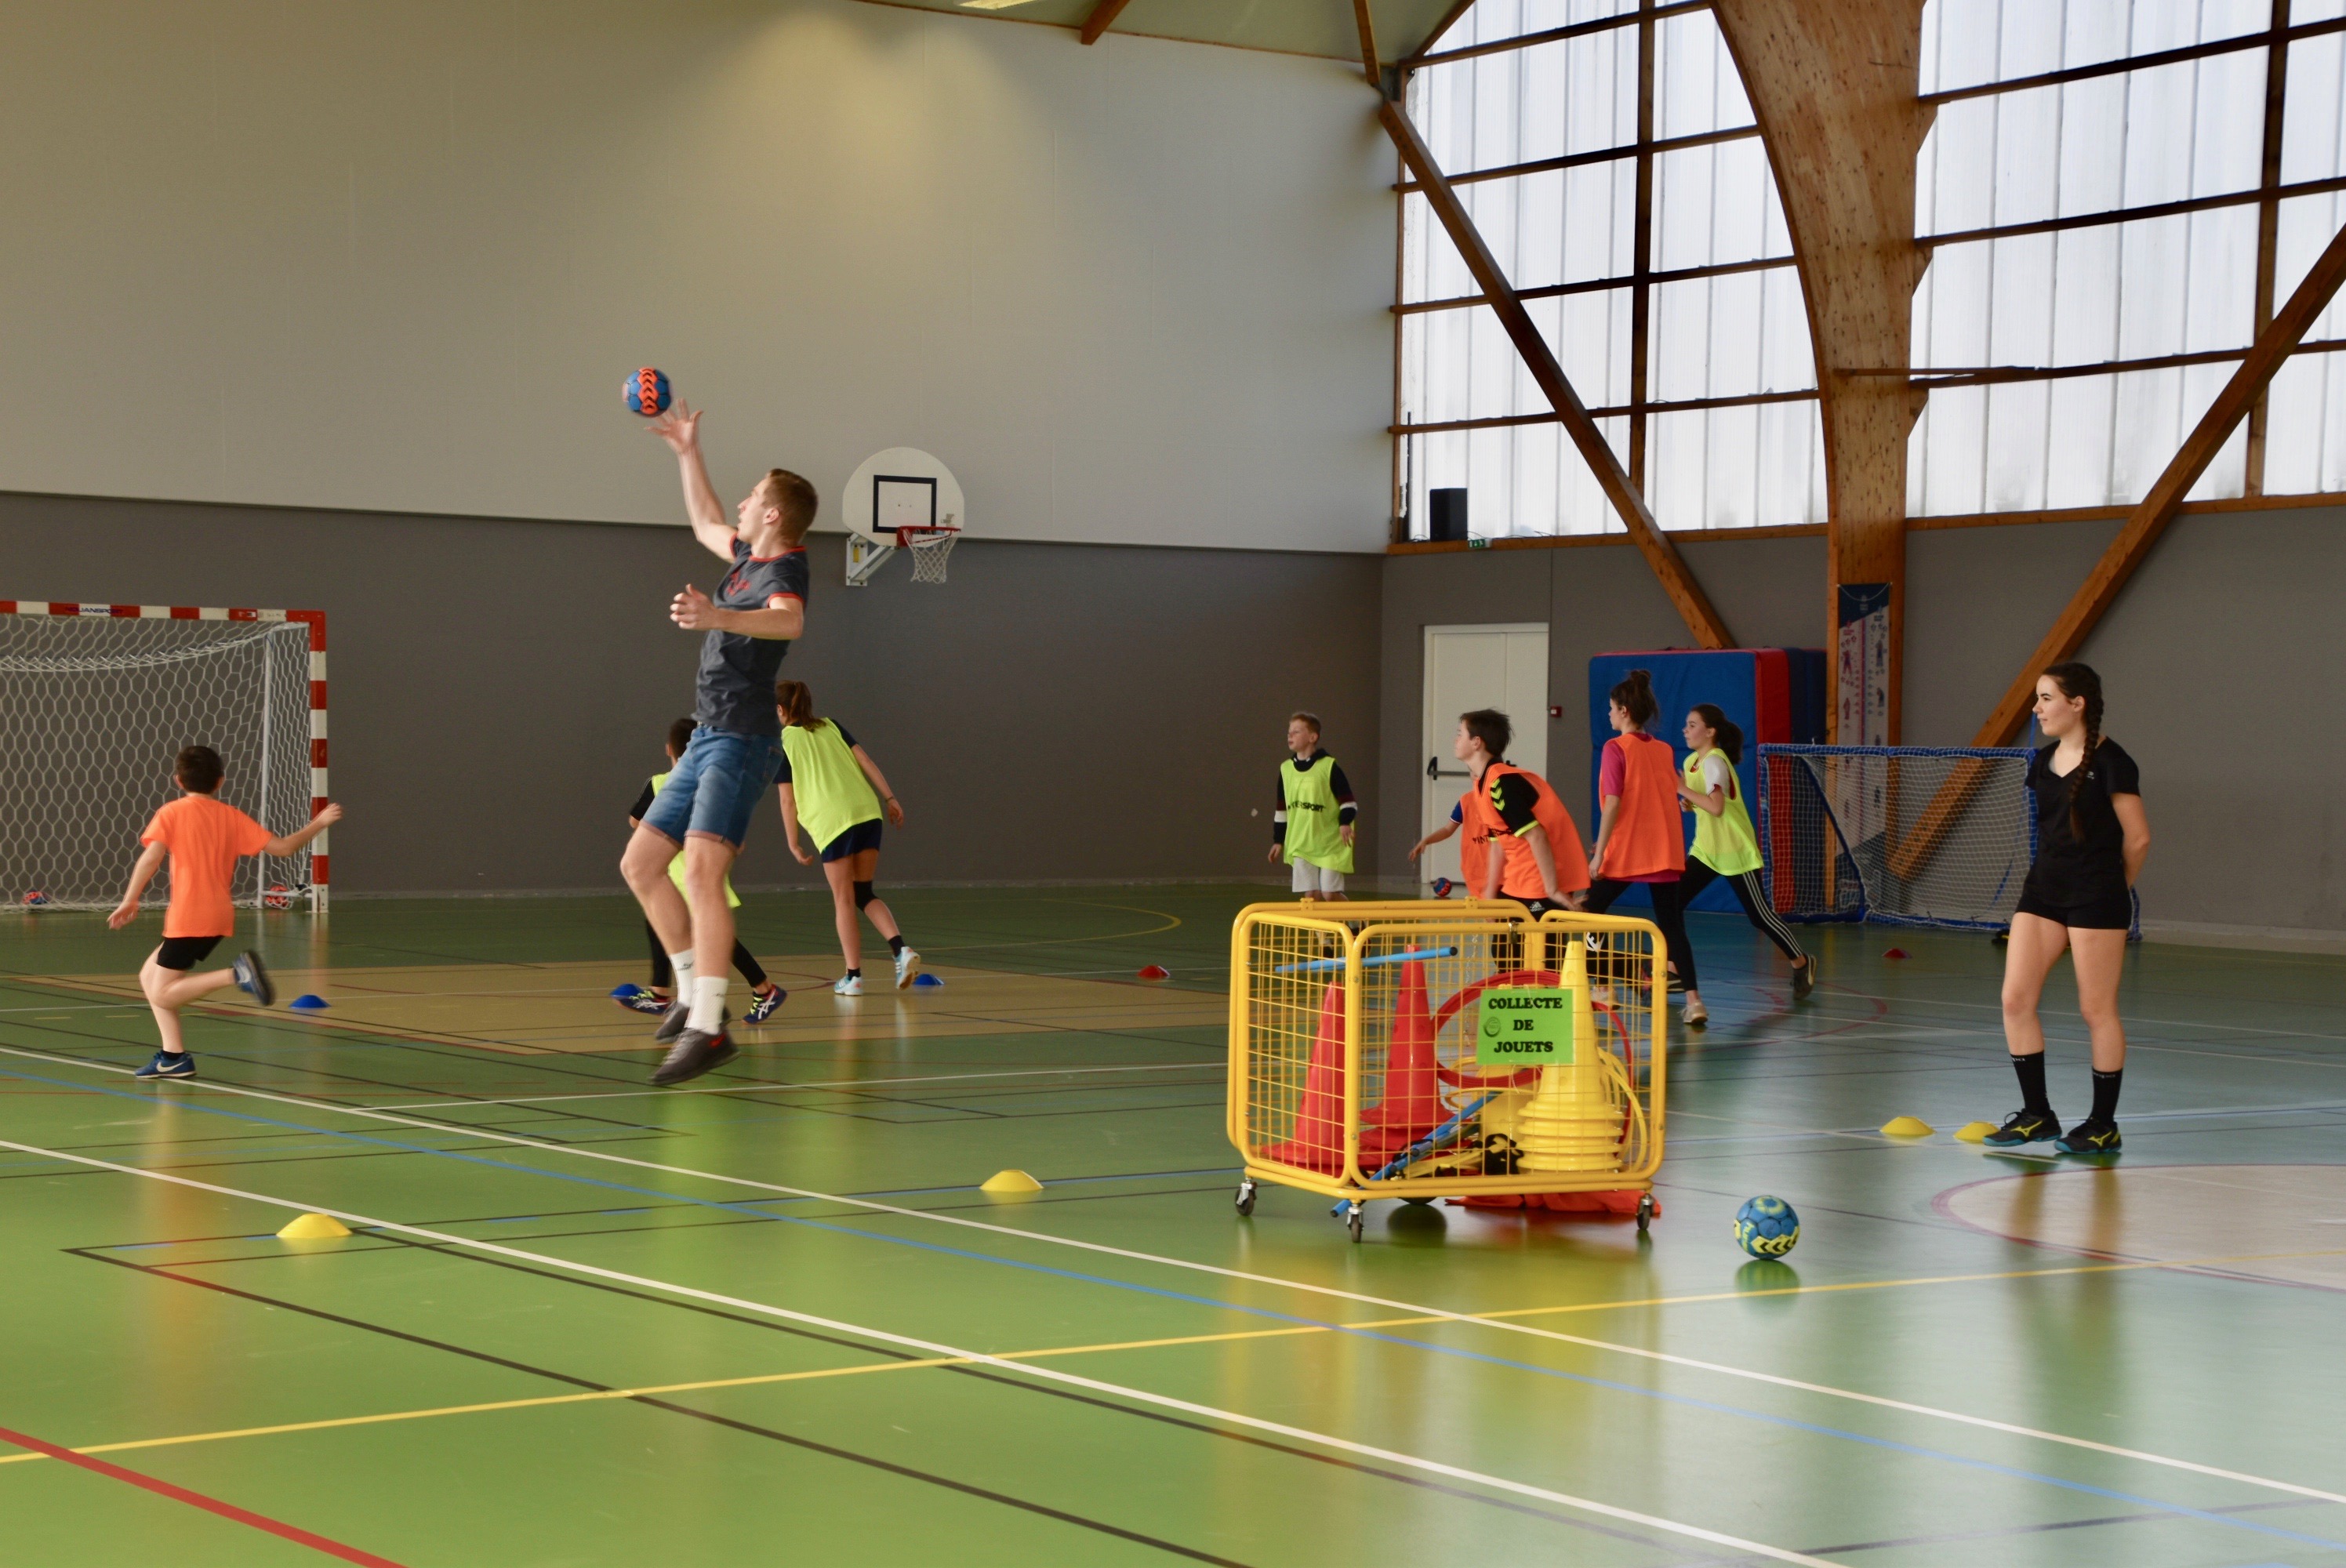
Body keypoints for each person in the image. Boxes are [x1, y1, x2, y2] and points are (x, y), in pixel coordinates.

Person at [623, 401, 815, 1086]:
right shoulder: (743, 559)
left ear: (773, 514)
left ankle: (709, 1027)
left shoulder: (783, 571)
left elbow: (788, 624)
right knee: (642, 863)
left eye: (753, 495)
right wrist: (687, 452)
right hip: (707, 735)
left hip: (744, 741)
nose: (741, 502)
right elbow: (706, 520)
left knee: (703, 873)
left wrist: (715, 617)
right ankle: (689, 992)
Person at [1985, 662, 2149, 1155]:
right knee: (2015, 1000)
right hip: (2043, 893)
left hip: (2096, 895)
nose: (2037, 709)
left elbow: (2138, 838)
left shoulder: (2114, 761)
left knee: (2096, 1009)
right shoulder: (2042, 761)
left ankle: (2102, 1124)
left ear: (2077, 704)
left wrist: (2113, 888)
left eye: (2046, 698)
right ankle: (2038, 1115)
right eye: (2037, 698)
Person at [105, 745, 342, 1079]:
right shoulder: (230, 815)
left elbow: (151, 858)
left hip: (189, 917)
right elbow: (285, 848)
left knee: (162, 993)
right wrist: (319, 823)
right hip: (218, 915)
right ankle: (174, 1057)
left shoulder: (171, 813)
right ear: (220, 781)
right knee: (148, 977)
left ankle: (236, 975)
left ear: (178, 780)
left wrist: (131, 899)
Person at [613, 717, 785, 1025]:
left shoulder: (662, 783)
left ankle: (757, 989)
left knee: (703, 933)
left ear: (669, 749)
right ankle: (674, 993)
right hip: (693, 869)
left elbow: (636, 821)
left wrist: (664, 836)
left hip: (682, 873)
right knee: (673, 925)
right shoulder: (711, 785)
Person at [774, 681, 920, 994]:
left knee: (844, 899)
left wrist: (793, 842)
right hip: (867, 812)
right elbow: (865, 760)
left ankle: (853, 977)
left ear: (780, 710)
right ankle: (901, 949)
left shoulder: (782, 742)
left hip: (833, 820)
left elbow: (787, 799)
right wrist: (890, 797)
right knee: (863, 891)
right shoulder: (832, 725)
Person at [1583, 669, 1705, 1026]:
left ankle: (1603, 987)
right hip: (1663, 849)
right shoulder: (1664, 750)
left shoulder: (1615, 748)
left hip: (1627, 851)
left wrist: (1599, 853)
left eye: (1611, 708)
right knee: (1672, 925)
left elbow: (1614, 803)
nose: (1608, 714)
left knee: (1590, 910)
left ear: (1623, 711)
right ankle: (1695, 1002)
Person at [1676, 704, 1815, 999]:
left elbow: (1717, 807)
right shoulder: (1690, 762)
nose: (1685, 730)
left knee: (1759, 916)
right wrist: (1688, 803)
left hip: (1734, 849)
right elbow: (1704, 804)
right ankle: (1674, 969)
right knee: (1671, 903)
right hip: (1706, 849)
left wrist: (1683, 790)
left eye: (1692, 725)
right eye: (1686, 725)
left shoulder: (1715, 762)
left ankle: (1802, 962)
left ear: (1710, 732)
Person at [1410, 710, 1588, 914]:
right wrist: (1490, 890)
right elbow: (1497, 843)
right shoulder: (1482, 785)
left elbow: (1537, 836)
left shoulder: (1502, 783)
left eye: (1460, 734)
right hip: (1516, 880)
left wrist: (1552, 890)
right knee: (1502, 935)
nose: (1455, 740)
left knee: (1536, 937)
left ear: (1476, 742)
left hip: (1539, 882)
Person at [1267, 712, 1357, 900]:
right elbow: (1282, 810)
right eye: (1289, 732)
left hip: (1330, 842)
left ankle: (1354, 917)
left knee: (1329, 894)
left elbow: (1348, 802)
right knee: (1311, 895)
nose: (1290, 735)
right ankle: (1319, 923)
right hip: (1301, 842)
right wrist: (1278, 840)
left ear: (1313, 737)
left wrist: (1345, 822)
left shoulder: (1329, 766)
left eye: (1296, 731)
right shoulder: (1285, 769)